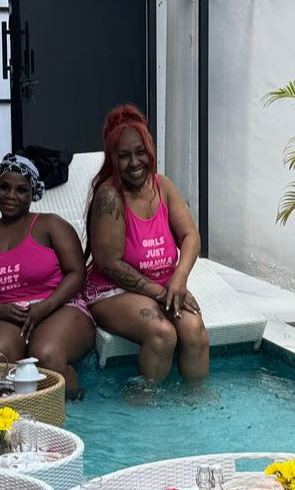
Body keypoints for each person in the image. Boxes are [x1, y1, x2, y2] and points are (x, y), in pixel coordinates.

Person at [84, 105, 210, 383]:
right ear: (113, 159)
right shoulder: (109, 196)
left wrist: (178, 281)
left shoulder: (163, 186)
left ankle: (197, 408)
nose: (134, 162)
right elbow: (109, 263)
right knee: (162, 333)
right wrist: (161, 291)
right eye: (124, 156)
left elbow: (191, 236)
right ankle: (143, 412)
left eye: (140, 152)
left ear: (150, 150)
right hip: (113, 291)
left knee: (195, 330)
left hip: (165, 287)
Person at [0, 154, 95, 398]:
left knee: (47, 355)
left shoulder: (51, 225)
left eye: (21, 190)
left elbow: (77, 272)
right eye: (4, 187)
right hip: (7, 314)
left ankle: (76, 415)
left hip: (59, 305)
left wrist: (45, 306)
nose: (11, 195)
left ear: (33, 193)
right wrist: (0, 310)